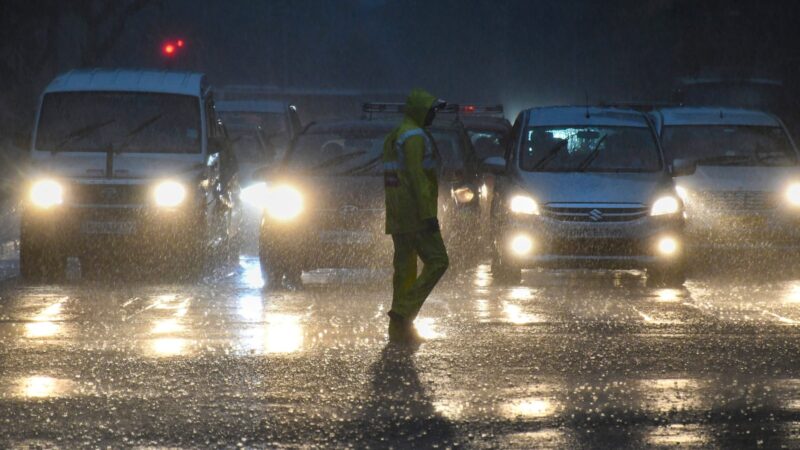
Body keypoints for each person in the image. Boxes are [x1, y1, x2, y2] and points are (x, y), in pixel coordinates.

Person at [382, 89, 449, 345]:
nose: (433, 115)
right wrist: (428, 214)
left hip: (398, 215)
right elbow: (417, 178)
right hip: (416, 215)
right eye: (432, 110)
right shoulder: (414, 137)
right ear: (421, 111)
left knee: (405, 272)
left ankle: (399, 332)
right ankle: (402, 313)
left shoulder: (396, 135)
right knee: (438, 261)